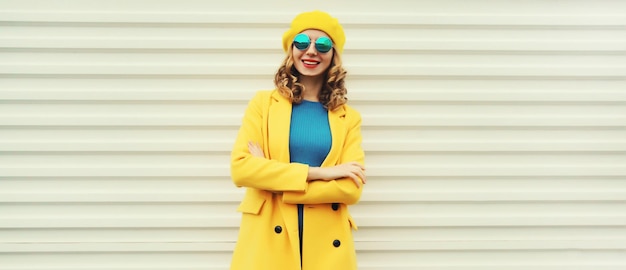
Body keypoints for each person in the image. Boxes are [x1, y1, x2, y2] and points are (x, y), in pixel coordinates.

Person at [229, 10, 366, 270]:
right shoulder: (263, 105)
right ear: (291, 49)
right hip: (267, 238)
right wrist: (321, 173)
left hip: (327, 245)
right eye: (302, 42)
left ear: (333, 55)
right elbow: (242, 169)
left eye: (322, 44)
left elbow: (350, 188)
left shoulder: (348, 118)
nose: (311, 51)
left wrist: (274, 182)